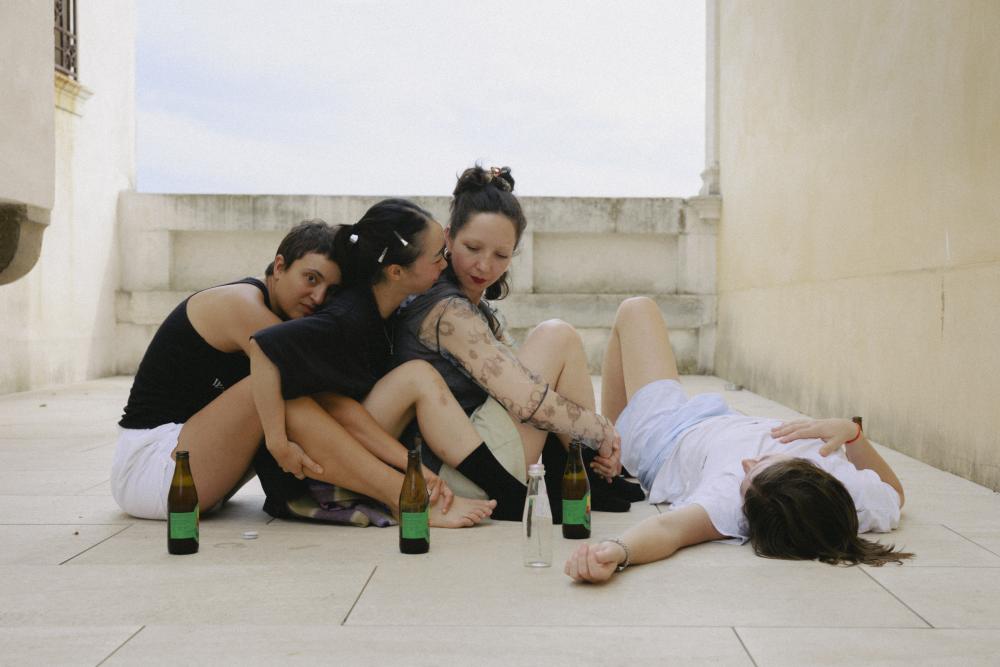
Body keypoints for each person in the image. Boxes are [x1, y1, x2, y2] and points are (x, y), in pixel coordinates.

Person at [565, 297, 911, 583]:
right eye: (762, 465)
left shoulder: (727, 503)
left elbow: (668, 530)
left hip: (665, 436)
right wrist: (852, 434)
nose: (747, 464)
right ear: (809, 471)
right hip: (715, 417)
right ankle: (612, 443)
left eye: (746, 481)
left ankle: (613, 448)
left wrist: (617, 550)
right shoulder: (847, 500)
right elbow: (894, 492)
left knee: (635, 310)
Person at [392, 165, 641, 521]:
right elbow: (526, 402)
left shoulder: (468, 303)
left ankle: (586, 472)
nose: (484, 265)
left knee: (558, 340)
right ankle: (583, 473)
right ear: (447, 238)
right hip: (461, 472)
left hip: (473, 453)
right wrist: (601, 430)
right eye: (472, 247)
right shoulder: (447, 310)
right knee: (556, 337)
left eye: (501, 255)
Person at [248, 198, 501, 527]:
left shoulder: (382, 310)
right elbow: (264, 346)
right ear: (396, 271)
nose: (445, 263)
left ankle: (486, 491)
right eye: (438, 256)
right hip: (304, 470)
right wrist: (277, 443)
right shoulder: (347, 316)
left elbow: (346, 412)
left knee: (414, 377)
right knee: (414, 376)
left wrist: (417, 470)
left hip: (348, 445)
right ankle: (420, 498)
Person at [112, 220, 342, 520]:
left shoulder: (276, 313)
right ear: (280, 266)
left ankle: (392, 487)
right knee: (270, 381)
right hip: (152, 470)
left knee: (279, 384)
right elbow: (322, 380)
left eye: (331, 290)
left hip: (187, 464)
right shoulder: (242, 305)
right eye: (311, 278)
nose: (319, 297)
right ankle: (395, 492)